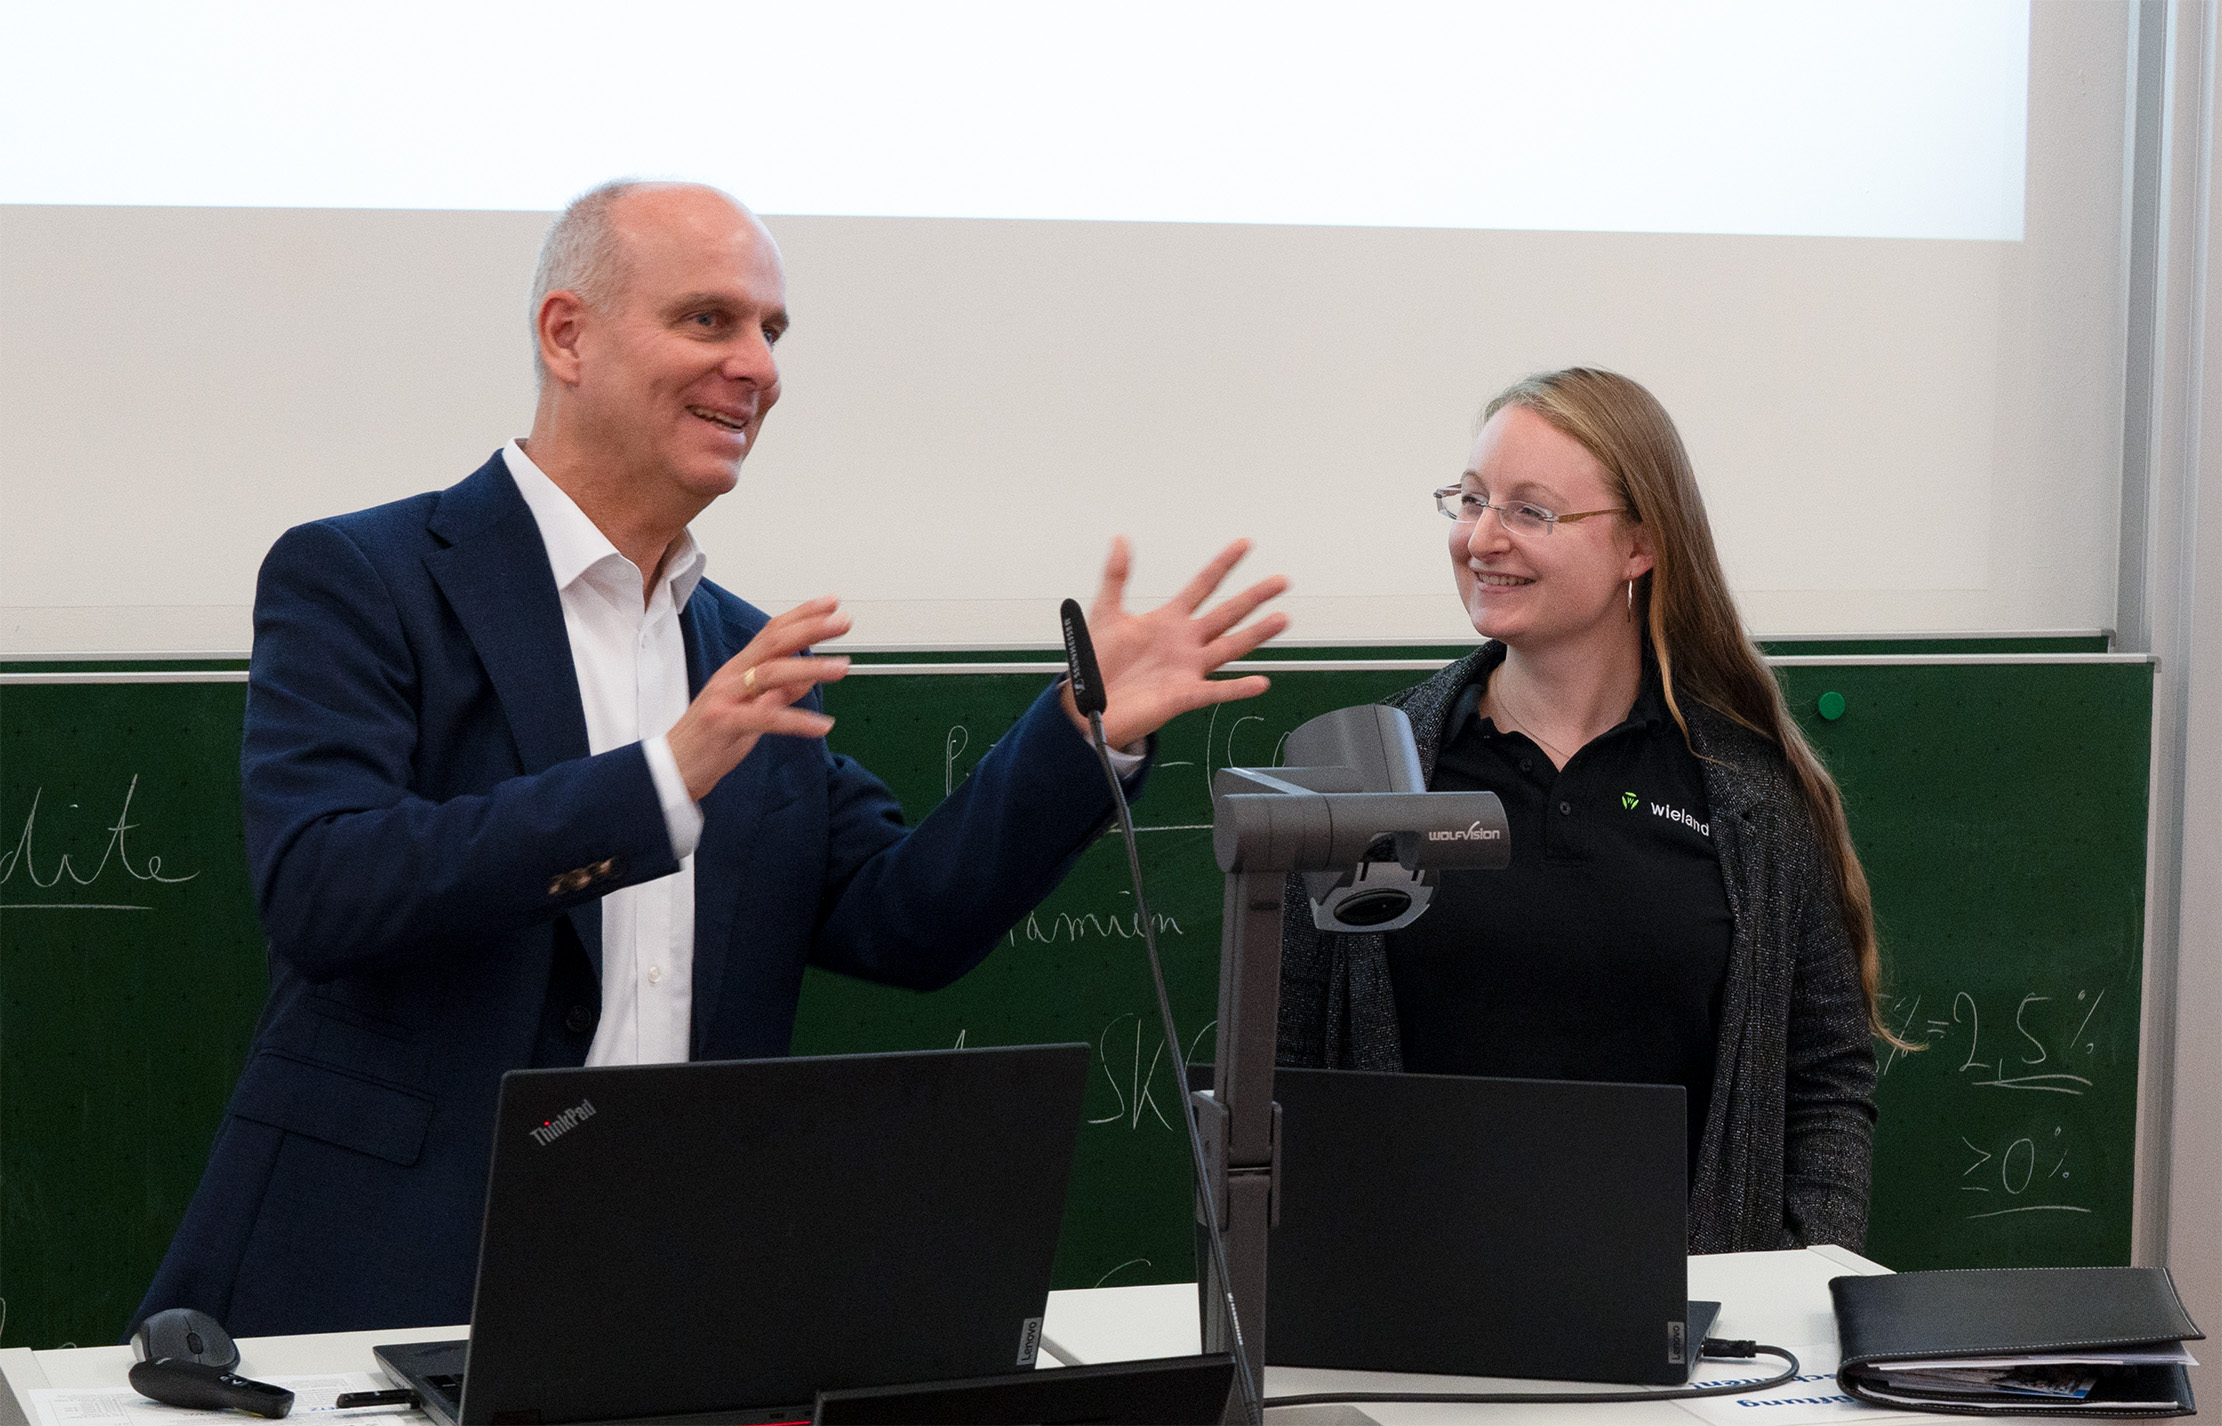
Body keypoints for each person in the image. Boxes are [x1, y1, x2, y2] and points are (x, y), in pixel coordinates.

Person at [134, 180, 1289, 1336]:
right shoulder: (366, 578)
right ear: (567, 334)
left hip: (670, 1287)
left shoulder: (735, 646)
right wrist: (657, 782)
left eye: (771, 332)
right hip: (382, 1281)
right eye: (709, 321)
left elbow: (907, 918)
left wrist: (1078, 739)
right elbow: (323, 886)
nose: (757, 367)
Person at [1277, 367, 1879, 1252]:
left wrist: (1796, 1277)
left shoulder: (1749, 793)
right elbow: (1284, 1065)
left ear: (1638, 544)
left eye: (1531, 511)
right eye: (1471, 500)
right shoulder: (1370, 767)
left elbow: (1824, 1076)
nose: (1482, 537)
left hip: (1690, 1335)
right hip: (1409, 1326)